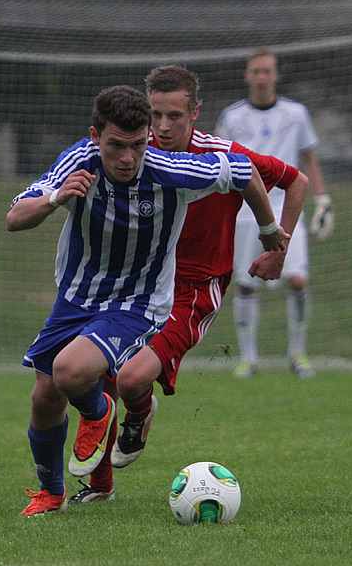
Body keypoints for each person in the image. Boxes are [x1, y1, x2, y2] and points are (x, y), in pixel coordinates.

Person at [7, 85, 286, 516]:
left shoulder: (169, 169)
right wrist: (56, 197)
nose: (126, 158)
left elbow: (245, 171)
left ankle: (99, 414)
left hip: (138, 303)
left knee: (69, 372)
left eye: (136, 146)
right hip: (76, 297)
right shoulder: (79, 160)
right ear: (95, 135)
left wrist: (269, 231)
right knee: (44, 397)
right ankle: (52, 492)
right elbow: (15, 218)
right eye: (115, 146)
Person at [68, 66, 309, 502]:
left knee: (129, 380)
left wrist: (277, 247)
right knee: (95, 376)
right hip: (137, 286)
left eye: (174, 116)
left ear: (195, 113)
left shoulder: (221, 155)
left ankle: (139, 415)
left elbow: (297, 181)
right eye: (155, 115)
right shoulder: (129, 155)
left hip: (193, 288)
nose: (162, 127)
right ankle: (100, 487)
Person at [215, 48, 334, 379]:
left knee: (297, 280)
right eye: (256, 71)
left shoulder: (296, 113)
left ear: (276, 75)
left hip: (286, 206)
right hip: (244, 210)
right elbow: (219, 163)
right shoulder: (232, 117)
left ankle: (297, 355)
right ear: (247, 76)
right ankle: (248, 359)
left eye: (267, 71)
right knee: (246, 283)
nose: (262, 76)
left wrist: (322, 199)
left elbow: (308, 157)